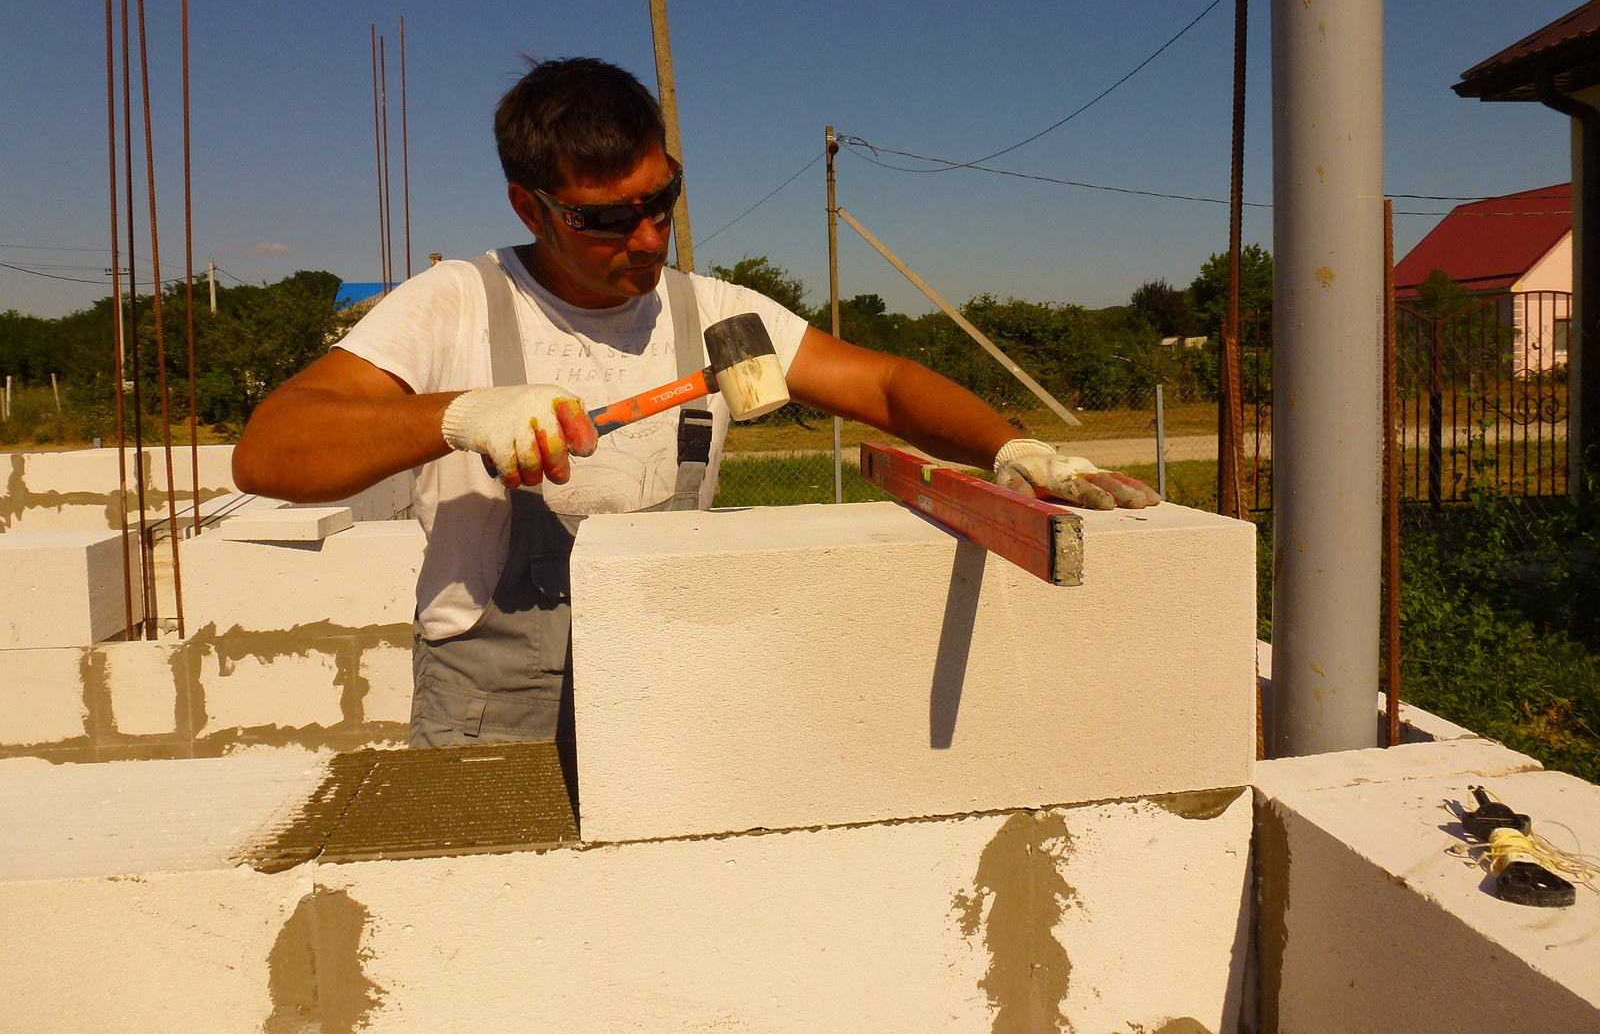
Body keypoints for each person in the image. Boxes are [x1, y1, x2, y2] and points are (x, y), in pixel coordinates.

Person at [232, 56, 1158, 747]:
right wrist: (460, 414)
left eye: (661, 199)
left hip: (664, 671)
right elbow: (270, 450)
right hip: (491, 695)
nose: (645, 236)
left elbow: (880, 382)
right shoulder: (455, 304)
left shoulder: (716, 318)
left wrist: (1016, 450)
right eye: (604, 218)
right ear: (530, 208)